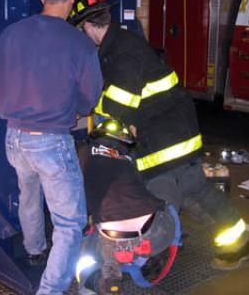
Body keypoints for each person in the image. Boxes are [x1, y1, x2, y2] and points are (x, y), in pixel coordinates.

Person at [68, 0, 249, 271]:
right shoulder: (119, 44)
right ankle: (235, 245)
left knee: (165, 197)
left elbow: (120, 105)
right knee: (193, 191)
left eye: (81, 30)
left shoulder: (121, 51)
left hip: (167, 140)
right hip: (172, 132)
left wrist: (87, 105)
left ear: (89, 27)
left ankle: (158, 253)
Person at [0, 0, 103, 295]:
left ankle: (35, 250)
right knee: (69, 224)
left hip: (15, 138)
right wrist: (75, 108)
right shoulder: (79, 43)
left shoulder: (11, 34)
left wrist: (14, 108)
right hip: (50, 141)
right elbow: (91, 96)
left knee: (29, 194)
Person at [77, 119, 181, 295]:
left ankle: (102, 281)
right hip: (154, 233)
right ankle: (151, 258)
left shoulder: (81, 152)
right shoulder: (130, 157)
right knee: (164, 188)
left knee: (88, 253)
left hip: (111, 238)